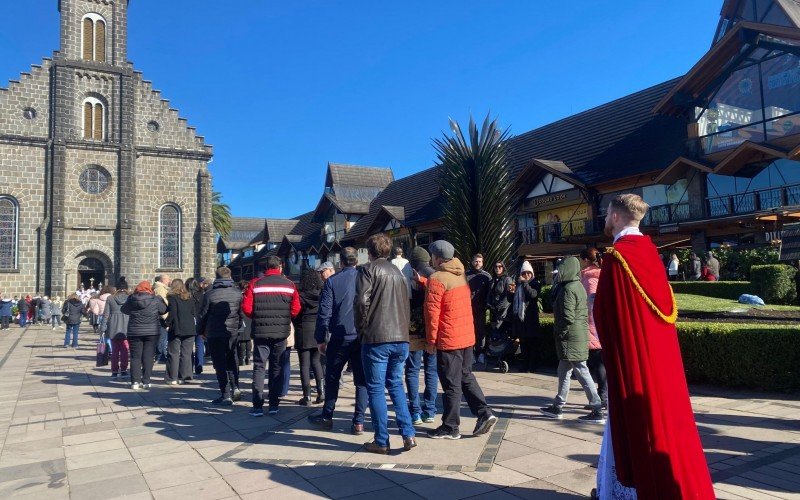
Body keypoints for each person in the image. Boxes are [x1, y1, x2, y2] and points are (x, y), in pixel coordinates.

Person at [594, 194, 714, 498]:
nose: (605, 219)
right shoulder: (650, 253)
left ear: (617, 217)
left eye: (607, 214)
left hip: (634, 363)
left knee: (636, 429)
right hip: (662, 366)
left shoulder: (617, 257)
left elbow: (606, 315)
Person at [423, 240, 497, 440]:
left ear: (437, 258)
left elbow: (432, 312)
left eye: (432, 256)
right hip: (466, 336)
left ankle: (450, 426)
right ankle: (484, 413)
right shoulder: (460, 274)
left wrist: (431, 340)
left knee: (451, 382)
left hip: (449, 338)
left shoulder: (437, 278)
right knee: (466, 376)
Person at [356, 233, 415, 454]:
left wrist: (362, 329)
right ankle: (408, 433)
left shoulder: (368, 270)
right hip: (400, 336)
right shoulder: (399, 274)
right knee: (396, 385)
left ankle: (382, 440)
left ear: (369, 252)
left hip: (377, 336)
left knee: (376, 388)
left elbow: (361, 302)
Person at [308, 247, 369, 435]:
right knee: (361, 380)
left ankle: (327, 415)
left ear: (341, 263)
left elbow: (324, 313)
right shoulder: (365, 278)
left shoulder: (333, 282)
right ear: (356, 261)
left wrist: (321, 338)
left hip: (340, 335)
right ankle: (358, 421)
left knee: (333, 377)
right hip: (361, 336)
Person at [539, 257, 605, 424]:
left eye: (561, 269)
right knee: (564, 371)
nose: (558, 273)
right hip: (577, 336)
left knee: (582, 371)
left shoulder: (568, 289)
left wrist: (559, 332)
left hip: (571, 338)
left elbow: (567, 317)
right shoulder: (577, 286)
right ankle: (558, 405)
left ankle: (597, 408)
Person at [241, 257, 299, 416]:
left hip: (260, 332)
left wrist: (257, 317)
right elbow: (296, 309)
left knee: (259, 367)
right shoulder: (289, 285)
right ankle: (274, 404)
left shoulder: (255, 283)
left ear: (266, 267)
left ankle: (258, 405)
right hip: (281, 332)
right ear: (280, 267)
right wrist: (285, 318)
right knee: (277, 367)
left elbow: (246, 308)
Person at [199, 267, 244, 406]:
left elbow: (203, 315)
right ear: (230, 276)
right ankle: (235, 386)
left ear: (216, 277)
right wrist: (239, 327)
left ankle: (225, 395)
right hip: (232, 331)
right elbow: (241, 314)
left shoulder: (210, 294)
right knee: (232, 359)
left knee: (219, 364)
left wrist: (201, 331)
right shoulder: (238, 293)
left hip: (215, 332)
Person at [405, 246, 438, 425]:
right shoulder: (435, 276)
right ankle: (430, 410)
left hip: (413, 329)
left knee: (412, 370)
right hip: (432, 329)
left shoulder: (408, 276)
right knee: (431, 370)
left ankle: (415, 412)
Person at [579, 248, 607, 410]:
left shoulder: (590, 277)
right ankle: (602, 395)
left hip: (592, 324)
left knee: (597, 361)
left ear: (585, 260)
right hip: (597, 323)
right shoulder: (598, 274)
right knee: (597, 361)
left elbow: (591, 301)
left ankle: (602, 397)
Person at [294, 268, 325, 406]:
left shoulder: (300, 295)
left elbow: (295, 313)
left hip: (303, 329)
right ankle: (321, 392)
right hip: (318, 330)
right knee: (316, 362)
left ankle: (307, 396)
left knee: (304, 365)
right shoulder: (322, 294)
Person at [510, 261, 541, 373]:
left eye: (528, 273)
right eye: (524, 273)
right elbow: (512, 301)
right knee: (523, 344)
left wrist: (525, 283)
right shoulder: (518, 285)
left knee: (532, 344)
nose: (526, 275)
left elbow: (533, 295)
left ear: (532, 274)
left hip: (531, 319)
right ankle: (525, 364)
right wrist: (511, 293)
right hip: (521, 320)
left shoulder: (535, 283)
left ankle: (533, 366)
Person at [165, 279, 197, 385]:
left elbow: (172, 312)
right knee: (186, 354)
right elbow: (193, 312)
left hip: (177, 327)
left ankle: (172, 378)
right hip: (190, 328)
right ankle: (185, 376)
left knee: (173, 353)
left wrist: (167, 323)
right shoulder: (189, 296)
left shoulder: (172, 297)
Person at [466, 253, 492, 364]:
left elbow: (491, 292)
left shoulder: (487, 276)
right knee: (469, 331)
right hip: (468, 309)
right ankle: (470, 353)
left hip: (481, 309)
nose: (478, 263)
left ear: (483, 262)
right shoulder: (465, 275)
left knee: (481, 331)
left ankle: (481, 353)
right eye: (476, 261)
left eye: (480, 261)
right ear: (472, 262)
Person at [102, 279, 130, 378]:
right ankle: (123, 370)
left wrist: (103, 327)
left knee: (114, 350)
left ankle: (114, 371)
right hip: (126, 326)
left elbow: (106, 314)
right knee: (125, 349)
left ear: (117, 288)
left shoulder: (110, 298)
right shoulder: (130, 298)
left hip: (113, 326)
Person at [486, 261, 513, 355]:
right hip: (493, 312)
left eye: (500, 266)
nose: (497, 268)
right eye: (495, 267)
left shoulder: (508, 279)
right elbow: (489, 294)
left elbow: (509, 296)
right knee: (495, 335)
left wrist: (499, 307)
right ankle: (498, 355)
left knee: (503, 335)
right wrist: (489, 304)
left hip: (504, 313)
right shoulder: (492, 280)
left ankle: (505, 357)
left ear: (503, 267)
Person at [186, 277, 206, 375]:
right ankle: (199, 366)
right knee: (199, 345)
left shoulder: (186, 295)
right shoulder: (202, 294)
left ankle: (190, 366)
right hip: (200, 321)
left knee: (188, 346)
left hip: (189, 322)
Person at [153, 275, 171, 361]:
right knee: (162, 337)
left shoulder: (160, 288)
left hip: (160, 316)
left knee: (162, 336)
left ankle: (160, 354)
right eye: (168, 279)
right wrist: (167, 317)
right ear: (163, 280)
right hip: (162, 316)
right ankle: (161, 355)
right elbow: (163, 303)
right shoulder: (160, 289)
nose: (169, 281)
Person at [236, 280, 253, 366]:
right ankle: (248, 358)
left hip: (240, 316)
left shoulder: (237, 295)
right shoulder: (249, 294)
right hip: (248, 316)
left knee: (242, 339)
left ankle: (241, 359)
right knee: (248, 339)